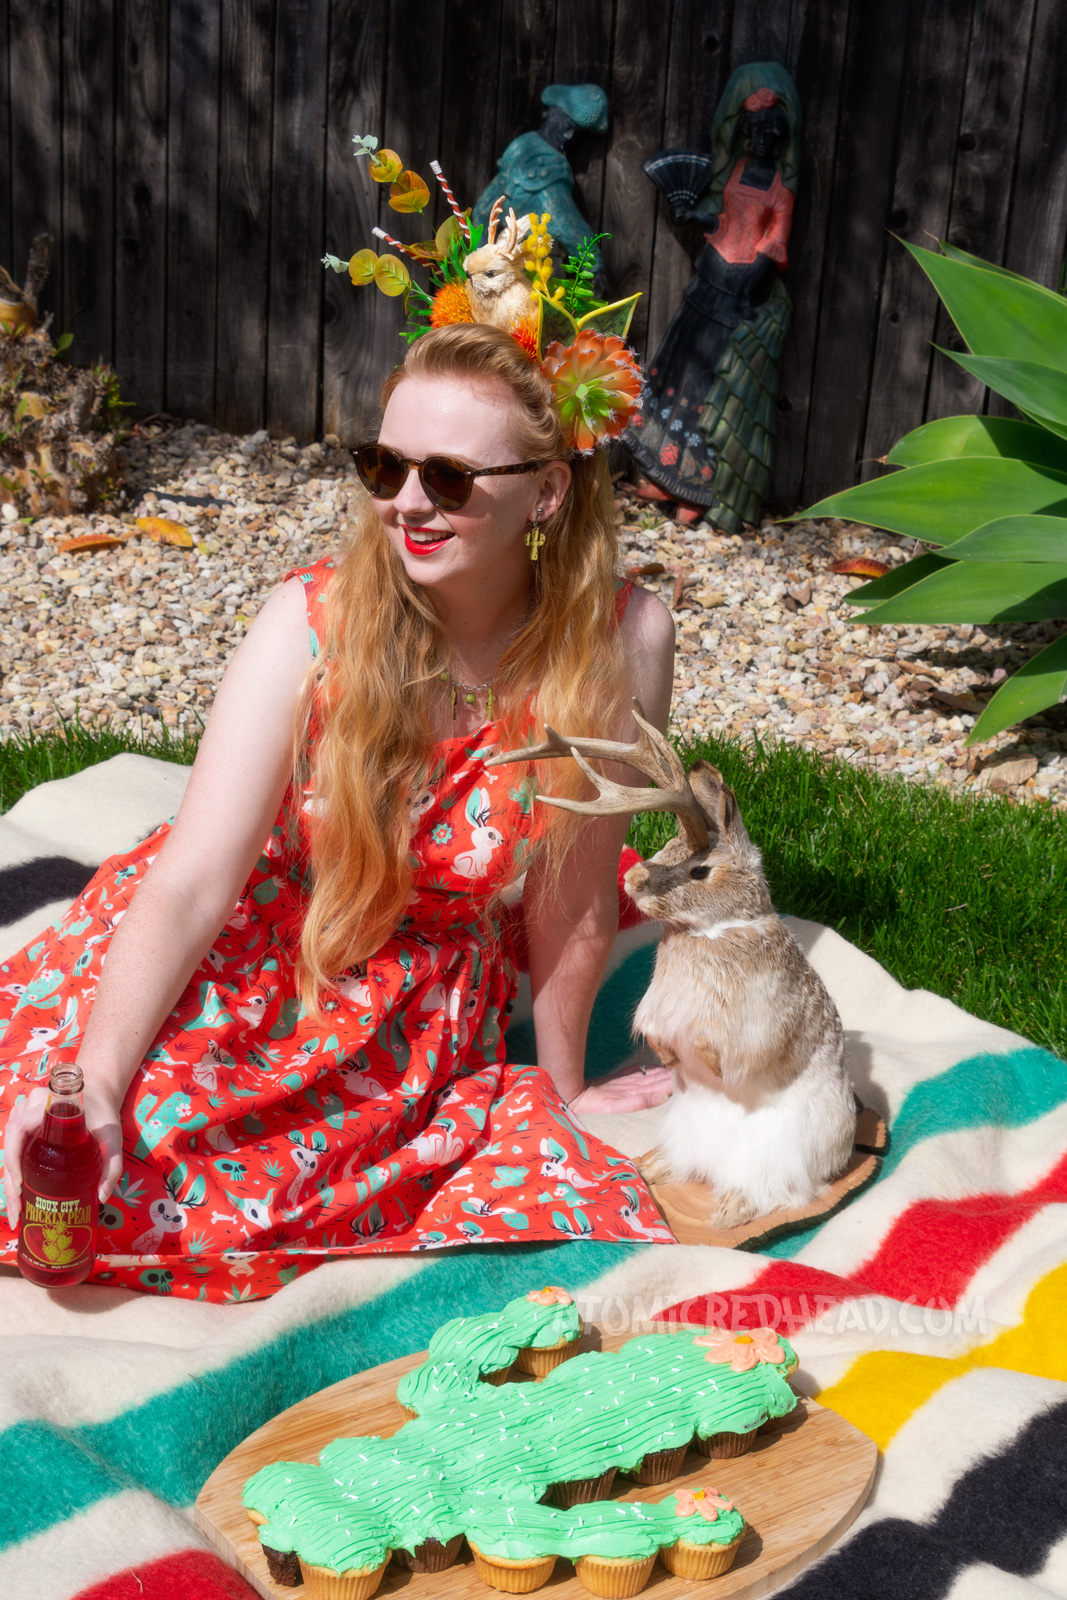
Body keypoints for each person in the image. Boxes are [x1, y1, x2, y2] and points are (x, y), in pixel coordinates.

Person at [0, 324, 676, 1300]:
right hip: (252, 936)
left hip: (407, 1004)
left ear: (546, 488)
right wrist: (102, 1078)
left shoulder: (620, 641)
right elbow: (192, 881)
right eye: (384, 466)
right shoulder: (310, 622)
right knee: (91, 1137)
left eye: (447, 478)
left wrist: (566, 1087)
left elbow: (574, 890)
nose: (406, 503)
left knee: (195, 1183)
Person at [624, 63, 800, 531]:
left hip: (736, 291)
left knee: (705, 393)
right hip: (707, 278)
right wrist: (691, 217)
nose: (761, 141)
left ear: (779, 140)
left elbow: (773, 245)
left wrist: (749, 287)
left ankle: (698, 491)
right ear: (746, 136)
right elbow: (723, 224)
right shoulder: (739, 171)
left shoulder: (781, 193)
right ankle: (667, 475)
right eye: (754, 132)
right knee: (677, 376)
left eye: (769, 135)